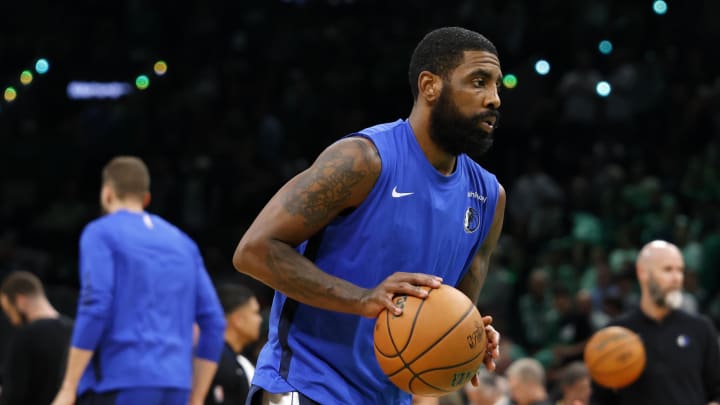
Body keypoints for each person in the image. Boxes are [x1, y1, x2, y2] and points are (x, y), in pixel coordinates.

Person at [233, 26, 505, 404]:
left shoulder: (489, 198)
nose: (494, 99)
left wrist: (467, 339)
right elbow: (254, 251)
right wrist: (362, 298)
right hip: (308, 386)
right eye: (479, 82)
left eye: (497, 86)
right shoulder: (363, 160)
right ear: (430, 86)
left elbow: (447, 311)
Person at [51, 156, 227, 405]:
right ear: (147, 199)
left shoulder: (100, 232)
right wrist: (196, 397)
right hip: (176, 385)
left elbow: (96, 304)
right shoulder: (184, 243)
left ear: (107, 194)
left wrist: (68, 387)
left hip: (119, 380)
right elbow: (215, 322)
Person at [591, 240, 720, 405]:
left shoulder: (701, 328)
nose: (677, 278)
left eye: (680, 270)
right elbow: (600, 400)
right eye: (667, 270)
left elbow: (717, 390)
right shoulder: (615, 333)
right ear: (643, 273)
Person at [0, 271, 73, 405]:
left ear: (20, 300)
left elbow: (14, 394)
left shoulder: (26, 335)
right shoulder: (74, 331)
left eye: (9, 311)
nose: (12, 320)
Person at [206, 283, 263, 405]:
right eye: (255, 313)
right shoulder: (219, 361)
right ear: (238, 320)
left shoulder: (236, 361)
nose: (260, 319)